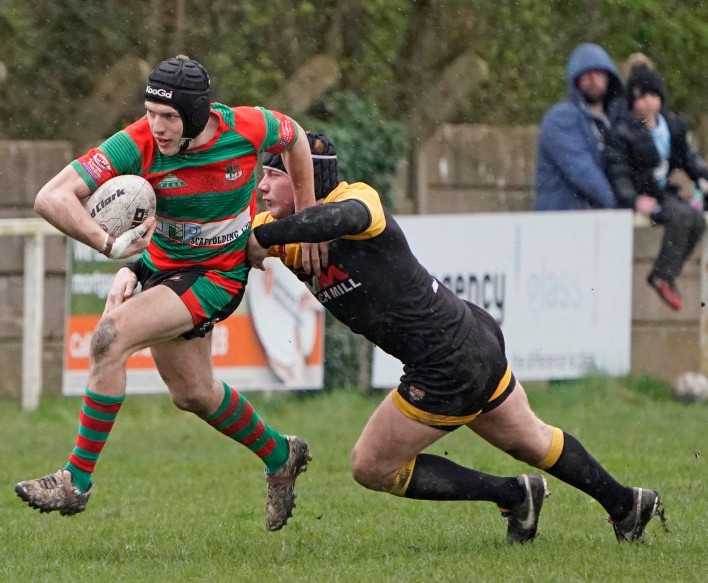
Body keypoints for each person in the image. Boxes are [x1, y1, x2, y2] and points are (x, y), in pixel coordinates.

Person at [247, 131, 666, 543]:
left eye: (275, 175)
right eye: (262, 174)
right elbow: (230, 242)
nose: (262, 186)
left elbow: (344, 218)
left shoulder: (357, 199)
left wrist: (266, 237)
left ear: (305, 179)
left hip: (447, 363)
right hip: (467, 338)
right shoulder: (279, 229)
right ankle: (627, 504)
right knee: (533, 441)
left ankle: (512, 494)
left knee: (370, 466)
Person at [14, 56, 321, 531]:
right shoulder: (137, 142)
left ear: (197, 114)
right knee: (193, 393)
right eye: (151, 112)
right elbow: (50, 197)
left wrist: (307, 217)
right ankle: (282, 454)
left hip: (217, 276)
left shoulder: (247, 127)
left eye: (170, 117)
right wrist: (111, 246)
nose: (156, 126)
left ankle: (75, 481)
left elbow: (295, 136)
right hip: (162, 272)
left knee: (109, 338)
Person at [605, 65, 708, 310]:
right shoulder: (624, 131)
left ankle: (668, 274)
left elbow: (689, 158)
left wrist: (703, 176)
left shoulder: (672, 126)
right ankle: (661, 275)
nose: (647, 102)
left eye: (652, 95)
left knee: (698, 221)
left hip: (663, 191)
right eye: (640, 97)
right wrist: (634, 199)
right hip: (645, 193)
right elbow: (618, 172)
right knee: (681, 216)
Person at [534, 43, 624, 211]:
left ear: (608, 78)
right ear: (576, 80)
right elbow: (582, 171)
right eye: (586, 75)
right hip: (561, 215)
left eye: (598, 73)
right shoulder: (560, 118)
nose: (593, 80)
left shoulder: (615, 119)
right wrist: (621, 206)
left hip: (598, 217)